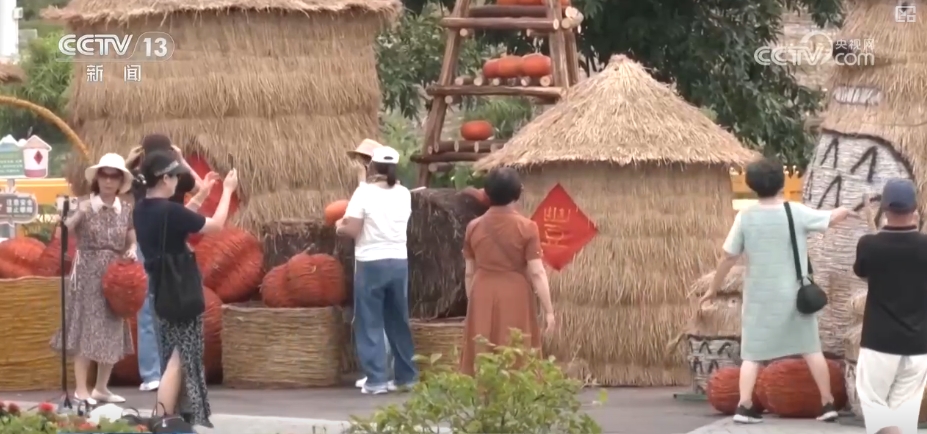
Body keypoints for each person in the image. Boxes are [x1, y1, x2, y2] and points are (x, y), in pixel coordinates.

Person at [700, 157, 851, 424]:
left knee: (752, 354)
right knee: (810, 349)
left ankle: (744, 405)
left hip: (759, 298)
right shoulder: (795, 212)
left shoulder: (745, 217)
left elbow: (728, 256)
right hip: (795, 296)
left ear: (751, 185)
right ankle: (827, 403)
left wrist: (713, 288)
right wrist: (846, 208)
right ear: (782, 183)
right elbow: (831, 219)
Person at [132, 150, 236, 427]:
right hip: (181, 289)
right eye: (175, 177)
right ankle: (163, 418)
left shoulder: (142, 208)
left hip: (160, 287)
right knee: (179, 357)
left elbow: (179, 219)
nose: (178, 181)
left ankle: (173, 416)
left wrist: (202, 195)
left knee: (171, 353)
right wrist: (227, 191)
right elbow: (215, 226)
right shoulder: (169, 211)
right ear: (165, 179)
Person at [50, 153, 136, 404]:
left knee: (112, 326)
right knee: (87, 327)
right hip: (88, 270)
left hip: (115, 272)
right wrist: (79, 213)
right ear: (97, 178)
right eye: (104, 175)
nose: (108, 181)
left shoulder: (125, 208)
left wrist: (131, 249)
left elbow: (131, 237)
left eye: (114, 176)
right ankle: (81, 389)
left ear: (120, 181)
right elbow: (59, 234)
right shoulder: (83, 203)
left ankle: (101, 387)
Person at [336, 145, 417, 395]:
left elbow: (353, 229)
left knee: (369, 320)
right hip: (399, 262)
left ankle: (377, 380)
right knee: (398, 320)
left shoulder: (364, 193)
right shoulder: (404, 193)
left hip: (371, 262)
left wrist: (339, 226)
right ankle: (406, 377)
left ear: (373, 167)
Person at [458, 167, 555, 375]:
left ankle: (482, 389)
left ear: (487, 193)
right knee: (516, 346)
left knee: (482, 346)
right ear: (517, 192)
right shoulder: (527, 227)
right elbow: (537, 273)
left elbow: (469, 272)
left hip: (482, 290)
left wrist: (472, 301)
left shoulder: (473, 227)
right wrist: (549, 311)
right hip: (515, 293)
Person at [127, 134, 204, 392]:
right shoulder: (145, 178)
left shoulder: (169, 176)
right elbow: (120, 185)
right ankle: (159, 372)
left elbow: (199, 186)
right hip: (162, 246)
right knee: (160, 308)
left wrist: (180, 161)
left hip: (161, 246)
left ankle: (160, 372)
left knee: (157, 309)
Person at [853, 179, 927, 434]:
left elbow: (862, 272)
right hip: (919, 342)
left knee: (873, 401)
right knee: (904, 411)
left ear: (884, 209)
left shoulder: (869, 244)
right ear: (915, 209)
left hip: (879, 340)